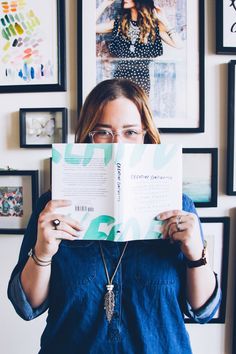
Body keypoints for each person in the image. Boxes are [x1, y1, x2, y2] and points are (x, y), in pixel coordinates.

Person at [8, 79, 221, 354]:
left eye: (130, 132)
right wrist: (43, 252)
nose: (117, 145)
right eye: (103, 132)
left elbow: (203, 311)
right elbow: (26, 306)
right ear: (87, 136)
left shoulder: (179, 207)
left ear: (146, 135)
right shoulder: (53, 209)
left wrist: (196, 256)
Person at [96, 0, 181, 94]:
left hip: (141, 82)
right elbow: (88, 27)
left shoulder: (152, 26)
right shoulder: (119, 23)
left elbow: (179, 45)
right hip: (120, 81)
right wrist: (105, 4)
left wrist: (164, 20)